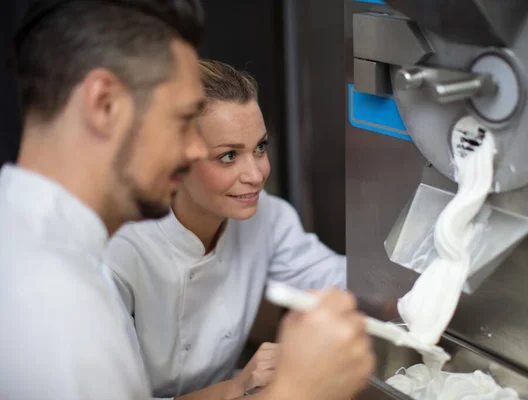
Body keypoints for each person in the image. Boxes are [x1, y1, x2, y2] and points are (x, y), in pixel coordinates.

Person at [0, 1, 374, 400]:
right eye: (181, 120)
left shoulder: (51, 248)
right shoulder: (51, 302)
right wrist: (296, 391)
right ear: (104, 104)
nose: (194, 151)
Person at [102, 59, 346, 399]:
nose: (256, 175)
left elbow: (341, 282)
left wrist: (420, 292)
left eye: (259, 148)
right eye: (229, 156)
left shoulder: (269, 219)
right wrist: (238, 387)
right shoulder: (118, 252)